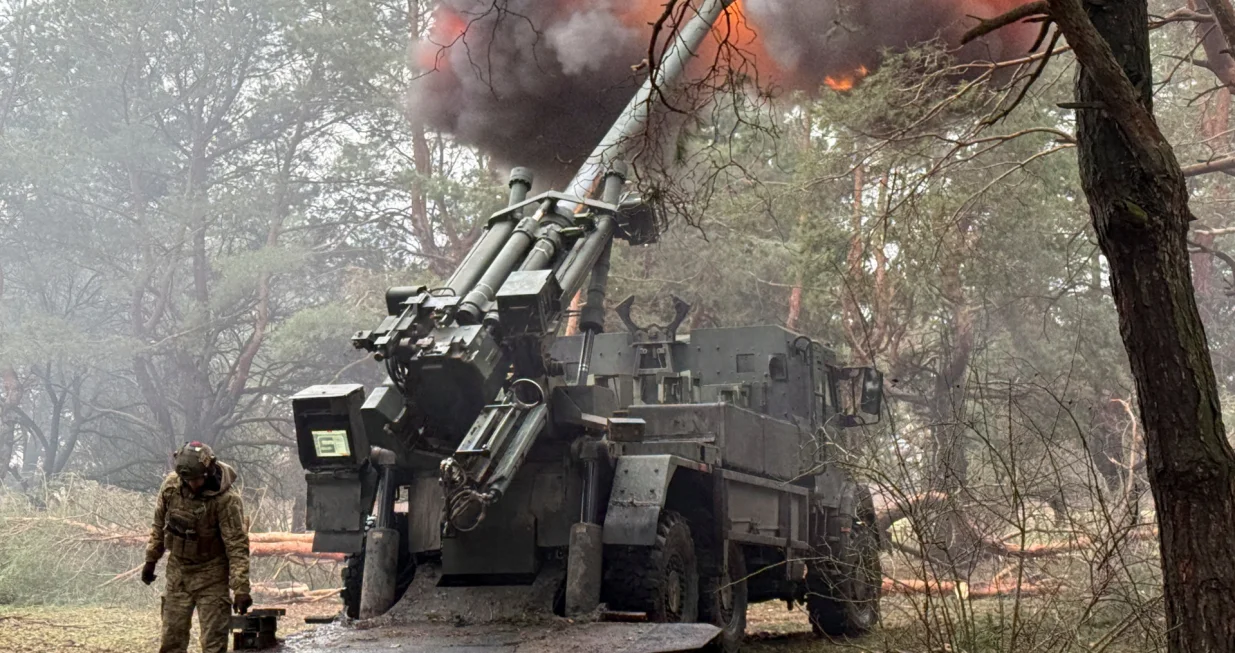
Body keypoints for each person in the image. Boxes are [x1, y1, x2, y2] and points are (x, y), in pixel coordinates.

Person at [142, 441, 252, 653]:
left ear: (208, 471)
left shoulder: (226, 501)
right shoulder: (172, 487)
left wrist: (241, 589)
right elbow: (158, 524)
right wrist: (151, 559)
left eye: (196, 479)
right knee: (171, 640)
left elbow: (237, 546)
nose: (192, 484)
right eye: (187, 480)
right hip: (178, 573)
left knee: (213, 644)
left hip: (212, 576)